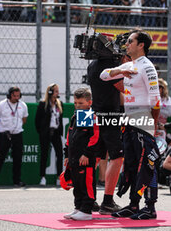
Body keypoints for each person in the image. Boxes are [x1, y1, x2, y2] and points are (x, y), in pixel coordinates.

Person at [100, 30, 161, 220]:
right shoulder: (130, 65)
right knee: (132, 164)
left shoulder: (147, 67)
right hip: (128, 120)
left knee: (147, 163)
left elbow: (156, 99)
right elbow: (103, 75)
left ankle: (150, 207)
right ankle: (134, 204)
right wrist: (120, 70)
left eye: (130, 41)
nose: (127, 44)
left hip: (143, 118)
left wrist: (153, 123)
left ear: (141, 45)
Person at [86, 38, 125, 214]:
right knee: (117, 157)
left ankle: (87, 199)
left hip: (95, 113)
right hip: (110, 114)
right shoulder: (111, 65)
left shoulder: (92, 65)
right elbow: (123, 88)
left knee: (94, 157)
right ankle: (108, 201)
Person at [63, 88, 100, 221]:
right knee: (77, 185)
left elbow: (95, 137)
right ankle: (78, 208)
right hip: (74, 158)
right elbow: (69, 137)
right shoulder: (75, 116)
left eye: (81, 103)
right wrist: (67, 154)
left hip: (85, 159)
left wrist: (87, 154)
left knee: (86, 184)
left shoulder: (91, 116)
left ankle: (86, 210)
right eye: (75, 103)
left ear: (89, 103)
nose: (78, 106)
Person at [0, 87, 28, 187]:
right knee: (0, 158)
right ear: (9, 95)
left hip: (17, 134)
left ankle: (17, 180)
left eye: (18, 96)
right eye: (14, 96)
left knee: (18, 158)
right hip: (5, 134)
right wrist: (2, 128)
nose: (16, 98)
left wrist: (17, 127)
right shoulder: (1, 105)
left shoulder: (22, 105)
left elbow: (24, 119)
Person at [35, 83, 63, 186]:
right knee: (44, 154)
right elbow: (37, 120)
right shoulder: (43, 104)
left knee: (59, 154)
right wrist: (42, 131)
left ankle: (59, 177)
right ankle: (42, 177)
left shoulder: (59, 104)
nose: (57, 93)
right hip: (46, 132)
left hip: (56, 132)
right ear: (50, 92)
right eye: (55, 91)